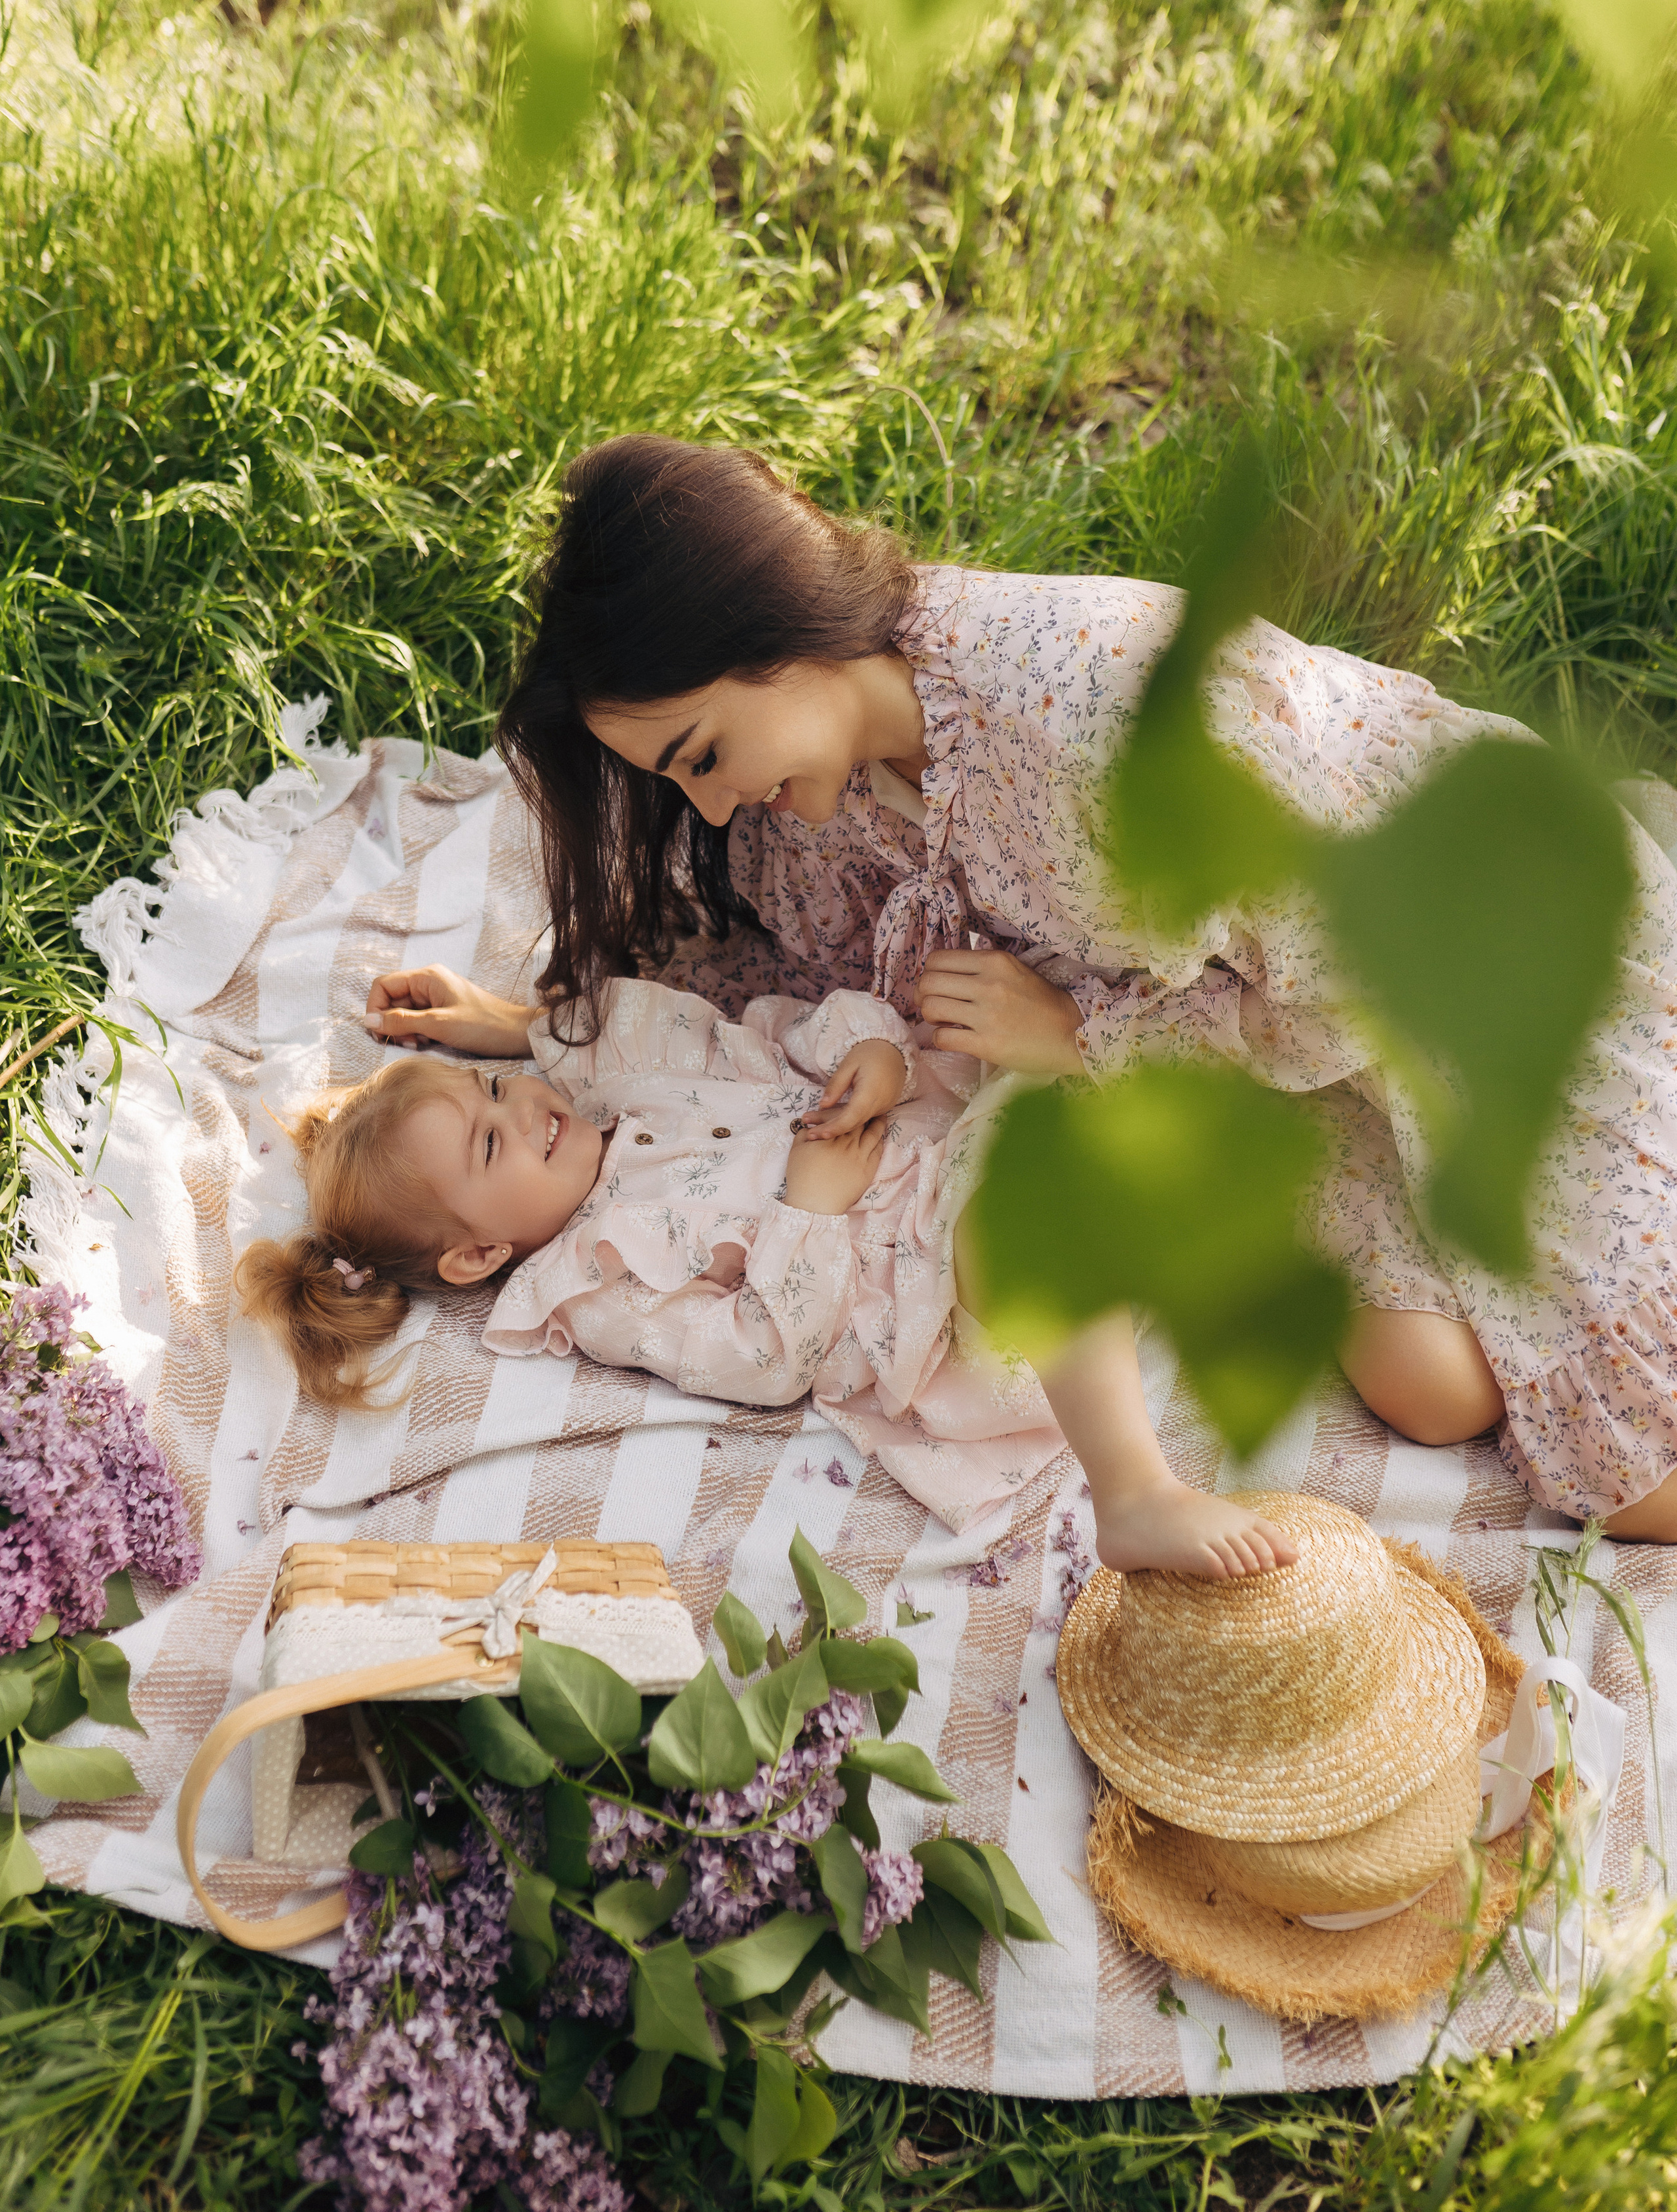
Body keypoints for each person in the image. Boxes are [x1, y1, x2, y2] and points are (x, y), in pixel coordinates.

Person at [366, 436, 1677, 1545]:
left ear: (777, 635)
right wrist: (530, 1034)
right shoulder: (801, 806)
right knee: (1431, 1389)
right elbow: (806, 980)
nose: (705, 803)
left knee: (1619, 1461)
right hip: (1287, 1065)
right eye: (678, 783)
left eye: (702, 754)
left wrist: (1080, 1031)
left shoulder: (1081, 707)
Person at [237, 977, 1298, 1575]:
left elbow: (785, 1027)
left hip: (944, 1133)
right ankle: (1138, 1492)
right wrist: (812, 1207)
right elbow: (762, 1357)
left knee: (1078, 1114)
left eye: (491, 1093)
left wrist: (873, 1055)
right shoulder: (595, 1286)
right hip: (915, 1285)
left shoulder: (625, 1075)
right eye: (487, 1147)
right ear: (476, 1255)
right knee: (1035, 1219)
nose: (523, 1110)